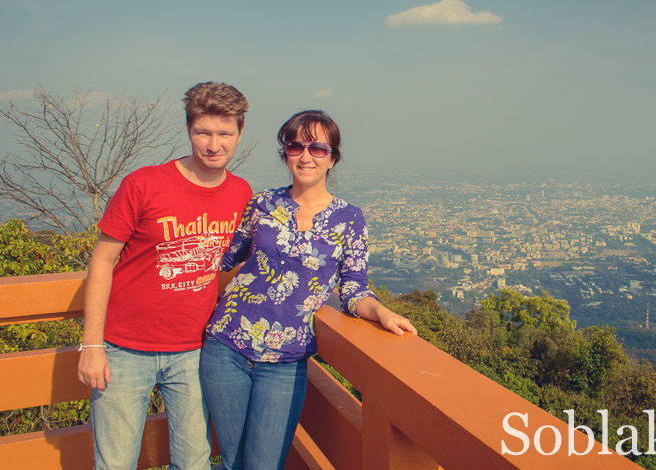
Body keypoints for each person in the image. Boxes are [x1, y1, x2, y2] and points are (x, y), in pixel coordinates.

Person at [200, 109, 416, 470]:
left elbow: (353, 289)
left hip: (285, 358)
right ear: (285, 152)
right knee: (232, 462)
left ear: (332, 158)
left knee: (263, 465)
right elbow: (222, 259)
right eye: (295, 145)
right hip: (226, 345)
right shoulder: (264, 202)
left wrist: (382, 313)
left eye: (317, 148)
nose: (305, 155)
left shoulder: (349, 219)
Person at [77, 82, 253, 470]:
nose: (213, 144)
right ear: (188, 130)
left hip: (195, 349)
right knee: (115, 463)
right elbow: (102, 261)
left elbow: (241, 266)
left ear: (239, 134)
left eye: (225, 134)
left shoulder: (241, 193)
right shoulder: (143, 184)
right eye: (203, 132)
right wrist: (91, 345)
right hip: (122, 349)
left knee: (193, 462)